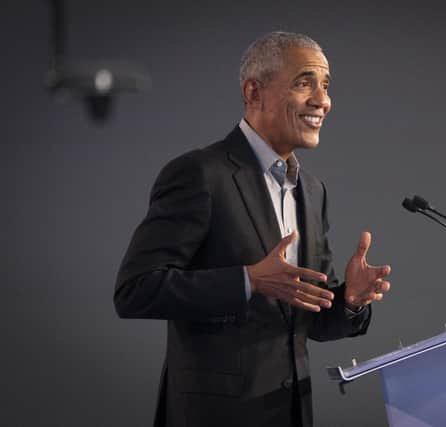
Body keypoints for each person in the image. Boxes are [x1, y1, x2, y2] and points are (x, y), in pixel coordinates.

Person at [114, 31, 391, 427]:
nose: (322, 100)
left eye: (326, 86)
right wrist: (247, 281)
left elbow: (310, 321)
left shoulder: (312, 191)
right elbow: (134, 291)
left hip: (291, 412)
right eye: (304, 82)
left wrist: (350, 300)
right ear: (254, 92)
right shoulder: (200, 174)